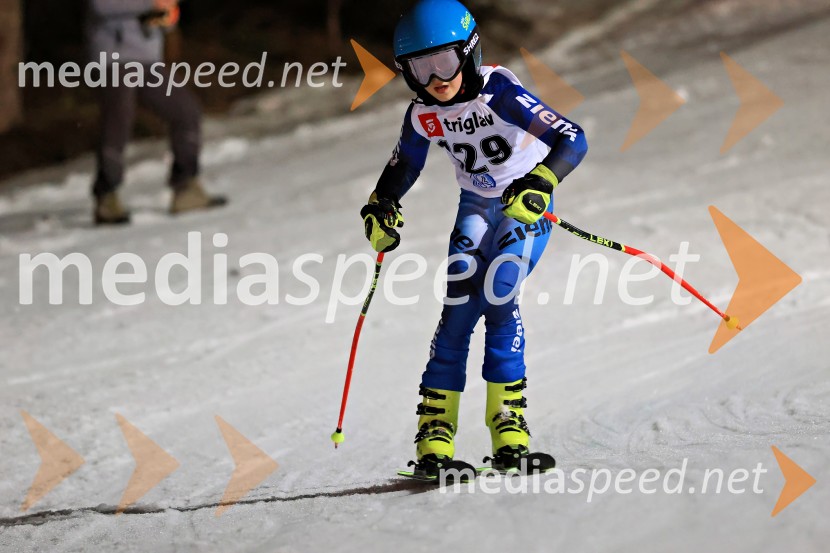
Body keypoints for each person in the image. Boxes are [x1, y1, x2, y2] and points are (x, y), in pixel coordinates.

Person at [360, 0, 588, 475]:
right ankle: (434, 437)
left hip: (522, 206)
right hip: (477, 208)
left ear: (469, 53)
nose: (435, 79)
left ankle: (509, 430)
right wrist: (381, 203)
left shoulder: (500, 94)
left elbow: (572, 137)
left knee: (499, 294)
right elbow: (405, 164)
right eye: (420, 68)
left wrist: (541, 181)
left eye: (444, 61)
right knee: (459, 307)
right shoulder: (423, 113)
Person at [85, 0, 226, 225]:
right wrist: (151, 4)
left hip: (148, 60)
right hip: (113, 57)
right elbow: (100, 6)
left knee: (186, 112)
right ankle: (107, 196)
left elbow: (161, 16)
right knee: (118, 123)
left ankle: (186, 187)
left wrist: (167, 16)